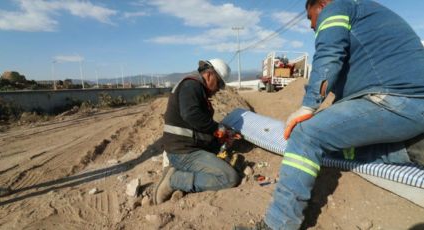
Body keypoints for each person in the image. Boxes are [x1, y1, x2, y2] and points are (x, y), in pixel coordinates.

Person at [257, 0, 424, 229]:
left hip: (396, 101)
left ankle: (278, 224)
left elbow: (328, 55)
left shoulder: (336, 8)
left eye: (310, 17)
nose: (311, 25)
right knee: (345, 147)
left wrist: (308, 107)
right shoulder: (368, 15)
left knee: (306, 135)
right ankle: (412, 149)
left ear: (322, 5)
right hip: (411, 108)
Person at [153, 58, 240, 204]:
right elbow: (191, 115)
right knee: (229, 178)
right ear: (209, 75)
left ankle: (181, 174)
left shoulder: (196, 88)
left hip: (188, 148)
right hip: (183, 152)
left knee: (220, 154)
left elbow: (198, 126)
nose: (218, 89)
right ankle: (174, 180)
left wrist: (220, 138)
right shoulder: (191, 85)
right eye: (219, 84)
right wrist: (217, 128)